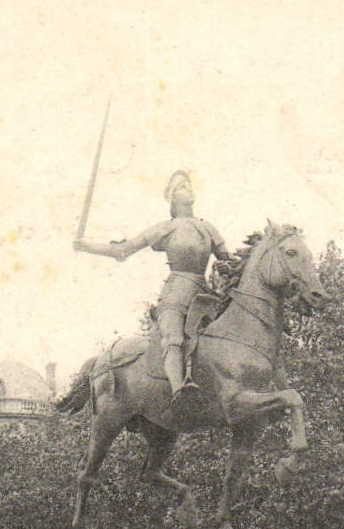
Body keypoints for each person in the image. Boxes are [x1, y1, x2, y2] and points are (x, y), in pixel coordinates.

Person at [74, 170, 230, 407]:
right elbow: (123, 250)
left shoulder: (208, 228)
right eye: (180, 186)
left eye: (188, 184)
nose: (186, 187)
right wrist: (88, 247)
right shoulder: (164, 228)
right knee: (173, 339)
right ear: (172, 198)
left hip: (204, 295)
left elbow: (227, 261)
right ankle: (179, 391)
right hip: (175, 294)